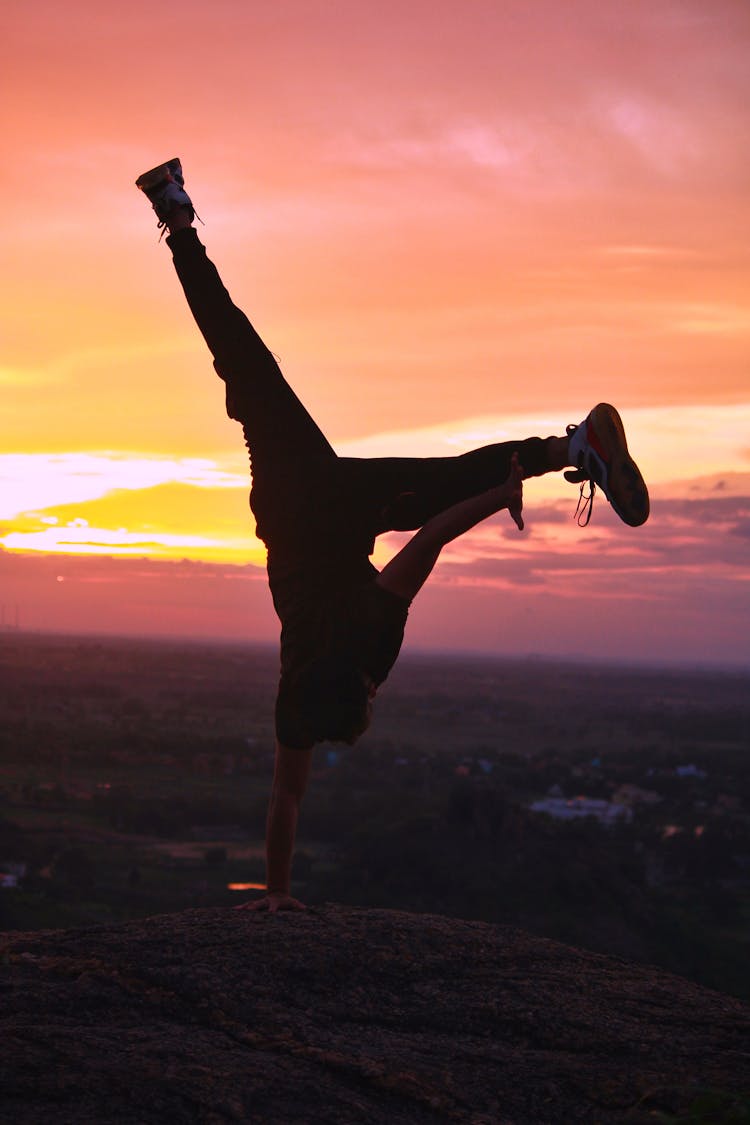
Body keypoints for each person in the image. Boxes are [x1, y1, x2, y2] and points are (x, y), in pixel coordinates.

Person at [136, 159, 650, 912]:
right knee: (242, 356)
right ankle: (177, 218)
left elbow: (435, 534)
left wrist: (497, 497)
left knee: (442, 478)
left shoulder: (368, 641)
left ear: (362, 696)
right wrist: (276, 893)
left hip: (329, 504)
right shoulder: (296, 692)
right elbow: (285, 799)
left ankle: (564, 453)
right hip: (299, 497)